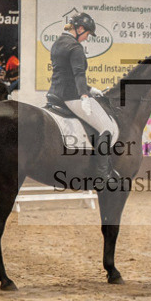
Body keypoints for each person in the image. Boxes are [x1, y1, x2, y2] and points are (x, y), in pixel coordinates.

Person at [47, 12, 120, 183]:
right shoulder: (75, 47)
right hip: (70, 97)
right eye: (87, 34)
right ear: (80, 29)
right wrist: (84, 95)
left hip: (54, 93)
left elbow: (65, 73)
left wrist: (91, 89)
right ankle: (102, 174)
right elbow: (78, 74)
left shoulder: (58, 43)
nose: (87, 38)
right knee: (107, 128)